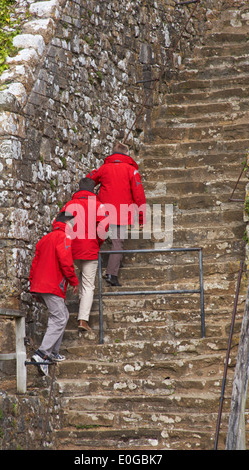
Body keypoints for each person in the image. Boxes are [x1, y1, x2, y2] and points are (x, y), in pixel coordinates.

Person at [87, 141, 146, 286]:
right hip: (122, 213)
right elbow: (139, 195)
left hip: (102, 212)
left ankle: (88, 273)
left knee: (94, 240)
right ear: (127, 154)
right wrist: (141, 218)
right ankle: (111, 274)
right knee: (117, 243)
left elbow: (88, 181)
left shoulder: (104, 168)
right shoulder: (131, 170)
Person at [29, 211, 79, 376]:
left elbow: (35, 263)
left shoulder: (45, 239)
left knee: (62, 313)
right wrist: (74, 281)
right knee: (59, 317)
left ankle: (53, 351)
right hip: (52, 285)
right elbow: (65, 261)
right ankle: (42, 354)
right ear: (67, 223)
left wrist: (33, 283)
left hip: (40, 284)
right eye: (73, 223)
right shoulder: (63, 237)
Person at [60, 177, 109, 332]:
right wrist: (98, 242)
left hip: (72, 249)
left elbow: (61, 225)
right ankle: (83, 320)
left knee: (80, 280)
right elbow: (103, 227)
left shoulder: (69, 205)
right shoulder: (98, 205)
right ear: (93, 190)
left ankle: (75, 313)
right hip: (89, 248)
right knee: (88, 285)